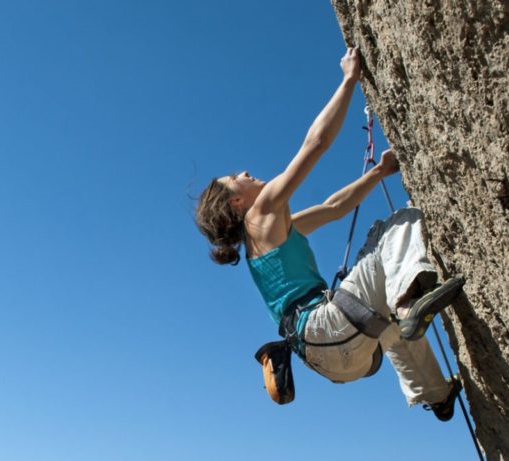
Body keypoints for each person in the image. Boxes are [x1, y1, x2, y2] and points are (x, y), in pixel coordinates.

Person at [195, 47, 464, 421]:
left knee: (384, 315)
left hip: (329, 358)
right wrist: (349, 80)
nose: (243, 171)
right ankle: (409, 299)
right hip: (328, 327)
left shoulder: (268, 236)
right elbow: (315, 145)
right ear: (237, 201)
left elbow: (335, 207)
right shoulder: (263, 210)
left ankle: (436, 394)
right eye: (235, 178)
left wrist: (377, 173)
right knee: (397, 222)